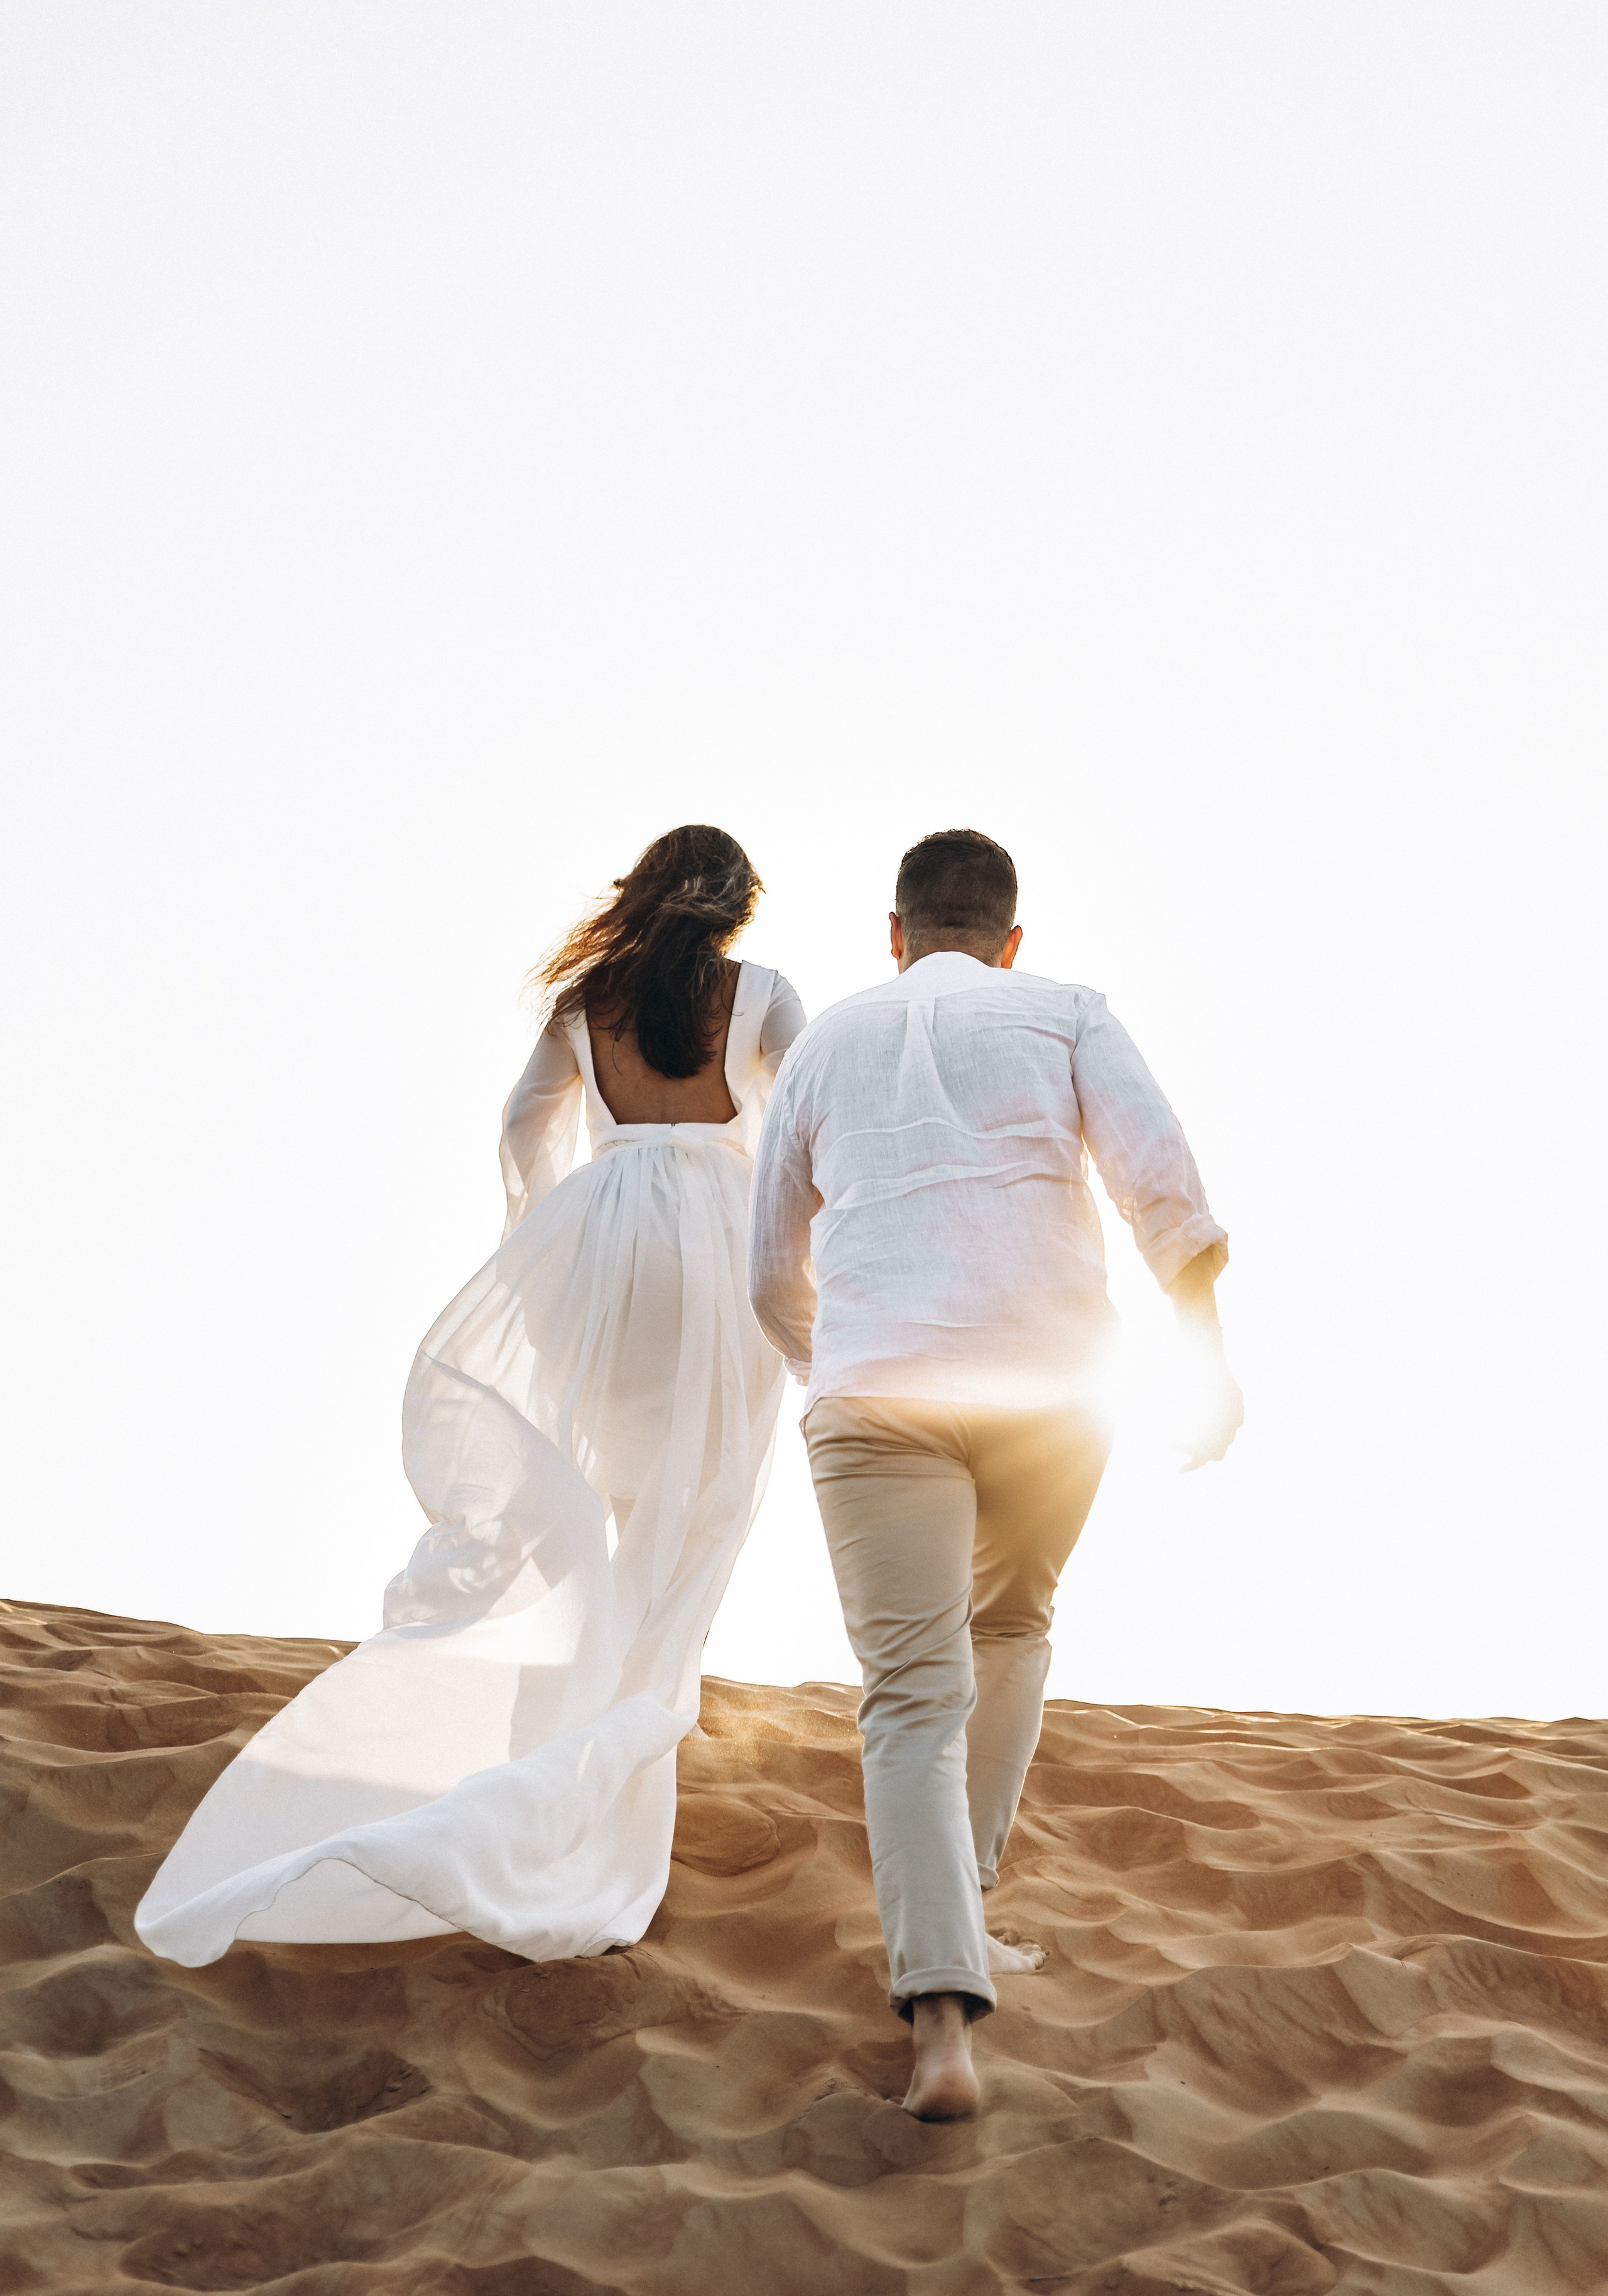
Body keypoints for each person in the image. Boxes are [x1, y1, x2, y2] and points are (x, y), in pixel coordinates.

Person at [138, 825, 805, 1969]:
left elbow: (519, 1128)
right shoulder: (764, 995)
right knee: (698, 1504)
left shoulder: (588, 1000)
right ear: (738, 910)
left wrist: (546, 1238)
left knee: (597, 1489)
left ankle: (562, 1709)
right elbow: (802, 1126)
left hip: (602, 1241)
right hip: (713, 1243)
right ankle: (617, 1739)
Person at [749, 828, 1239, 2120]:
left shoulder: (824, 1044)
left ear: (894, 935)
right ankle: (960, 1904)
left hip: (875, 1393)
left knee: (909, 1696)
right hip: (1047, 1390)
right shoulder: (1066, 1010)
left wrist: (845, 1370)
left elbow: (767, 1271)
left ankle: (943, 2018)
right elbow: (1157, 1182)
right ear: (1008, 938)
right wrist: (1205, 1357)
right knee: (1012, 1623)